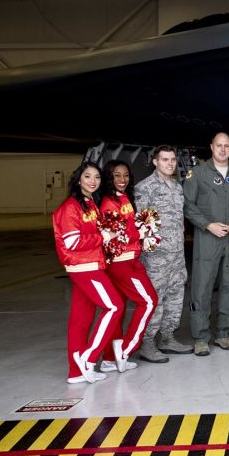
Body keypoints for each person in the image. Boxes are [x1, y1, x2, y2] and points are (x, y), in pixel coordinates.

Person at [88, 159, 159, 374]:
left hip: (128, 259)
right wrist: (143, 232)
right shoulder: (109, 202)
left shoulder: (123, 197)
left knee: (117, 310)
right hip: (123, 263)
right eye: (117, 175)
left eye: (126, 175)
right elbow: (115, 235)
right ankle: (125, 348)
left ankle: (109, 359)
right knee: (148, 302)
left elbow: (127, 226)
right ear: (109, 177)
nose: (122, 180)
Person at [53, 162, 121, 384]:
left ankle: (75, 372)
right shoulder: (70, 207)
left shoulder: (89, 203)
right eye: (88, 176)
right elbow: (72, 242)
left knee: (81, 319)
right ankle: (88, 358)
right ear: (78, 179)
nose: (93, 181)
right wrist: (104, 237)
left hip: (89, 264)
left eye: (97, 178)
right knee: (114, 306)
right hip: (84, 267)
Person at [182, 132, 229, 356]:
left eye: (227, 146)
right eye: (219, 145)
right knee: (202, 286)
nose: (223, 150)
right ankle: (200, 336)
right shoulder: (197, 174)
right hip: (207, 237)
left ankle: (224, 333)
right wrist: (207, 225)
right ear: (211, 147)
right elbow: (188, 205)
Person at [133, 145, 194, 361]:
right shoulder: (145, 187)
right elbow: (142, 224)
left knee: (176, 296)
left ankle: (168, 337)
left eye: (172, 160)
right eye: (165, 159)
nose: (169, 163)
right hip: (156, 256)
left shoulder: (177, 187)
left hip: (177, 253)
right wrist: (151, 255)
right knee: (155, 298)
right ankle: (147, 343)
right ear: (155, 162)